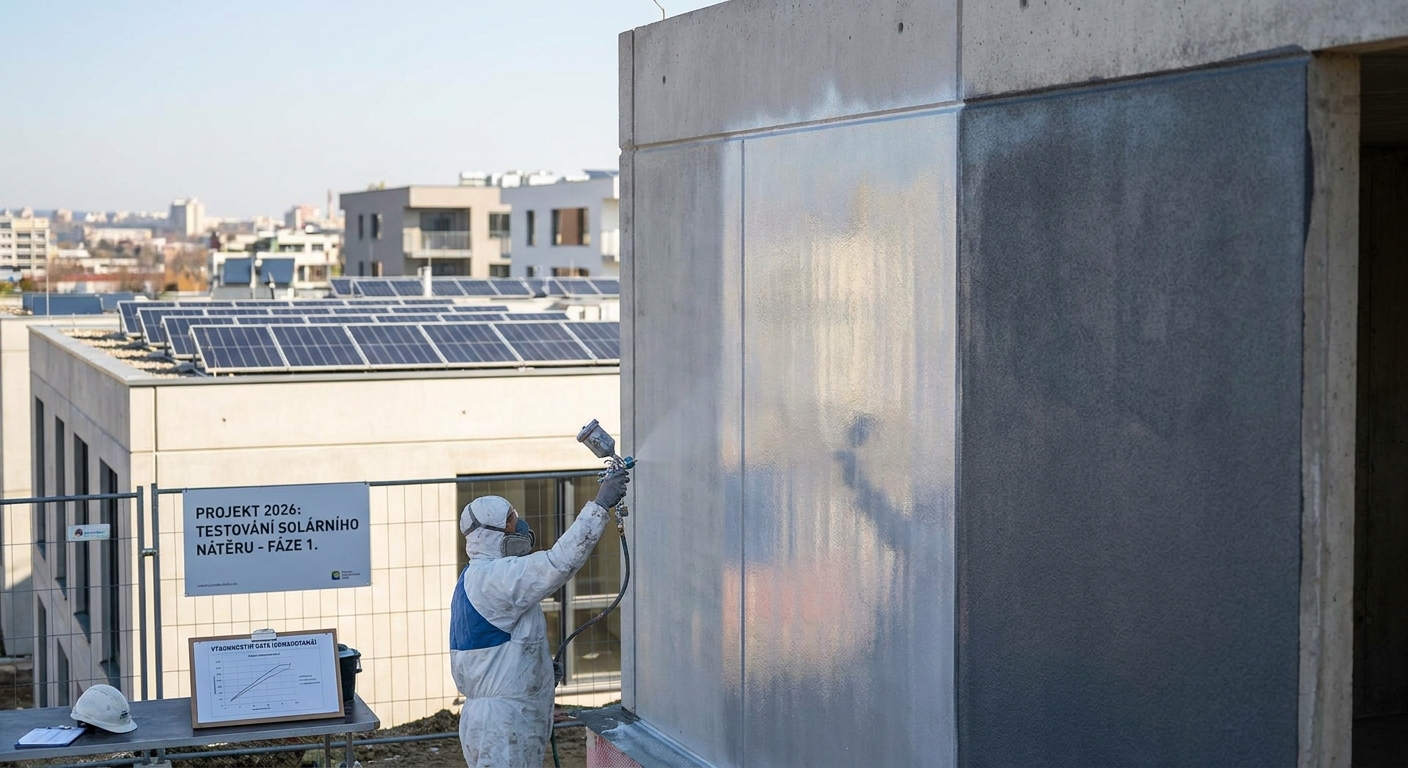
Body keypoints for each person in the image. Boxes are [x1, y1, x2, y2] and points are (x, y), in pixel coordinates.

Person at [451, 471, 630, 767]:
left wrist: (540, 671)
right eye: (511, 518)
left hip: (496, 718)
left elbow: (492, 654)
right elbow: (558, 563)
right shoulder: (495, 577)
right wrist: (599, 506)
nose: (519, 524)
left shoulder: (474, 577)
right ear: (494, 532)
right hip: (505, 722)